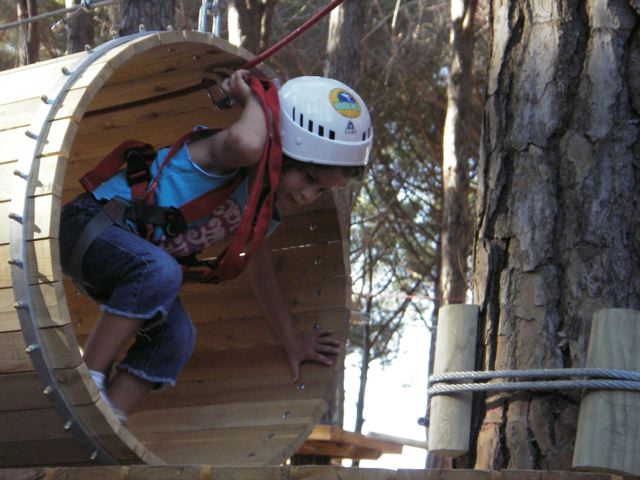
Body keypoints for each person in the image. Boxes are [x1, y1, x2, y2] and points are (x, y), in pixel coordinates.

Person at [59, 69, 373, 422]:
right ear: (280, 148)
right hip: (91, 225)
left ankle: (100, 423)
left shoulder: (260, 211)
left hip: (125, 267)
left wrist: (293, 343)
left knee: (177, 337)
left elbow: (264, 276)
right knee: (161, 271)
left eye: (320, 191)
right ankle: (87, 383)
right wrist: (255, 98)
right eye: (309, 178)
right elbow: (247, 143)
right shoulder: (221, 155)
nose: (307, 195)